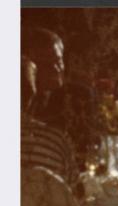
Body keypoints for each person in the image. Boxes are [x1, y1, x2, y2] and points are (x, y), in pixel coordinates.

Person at [21, 28, 79, 193]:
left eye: (58, 60)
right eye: (46, 63)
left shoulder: (76, 99)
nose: (56, 69)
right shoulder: (24, 102)